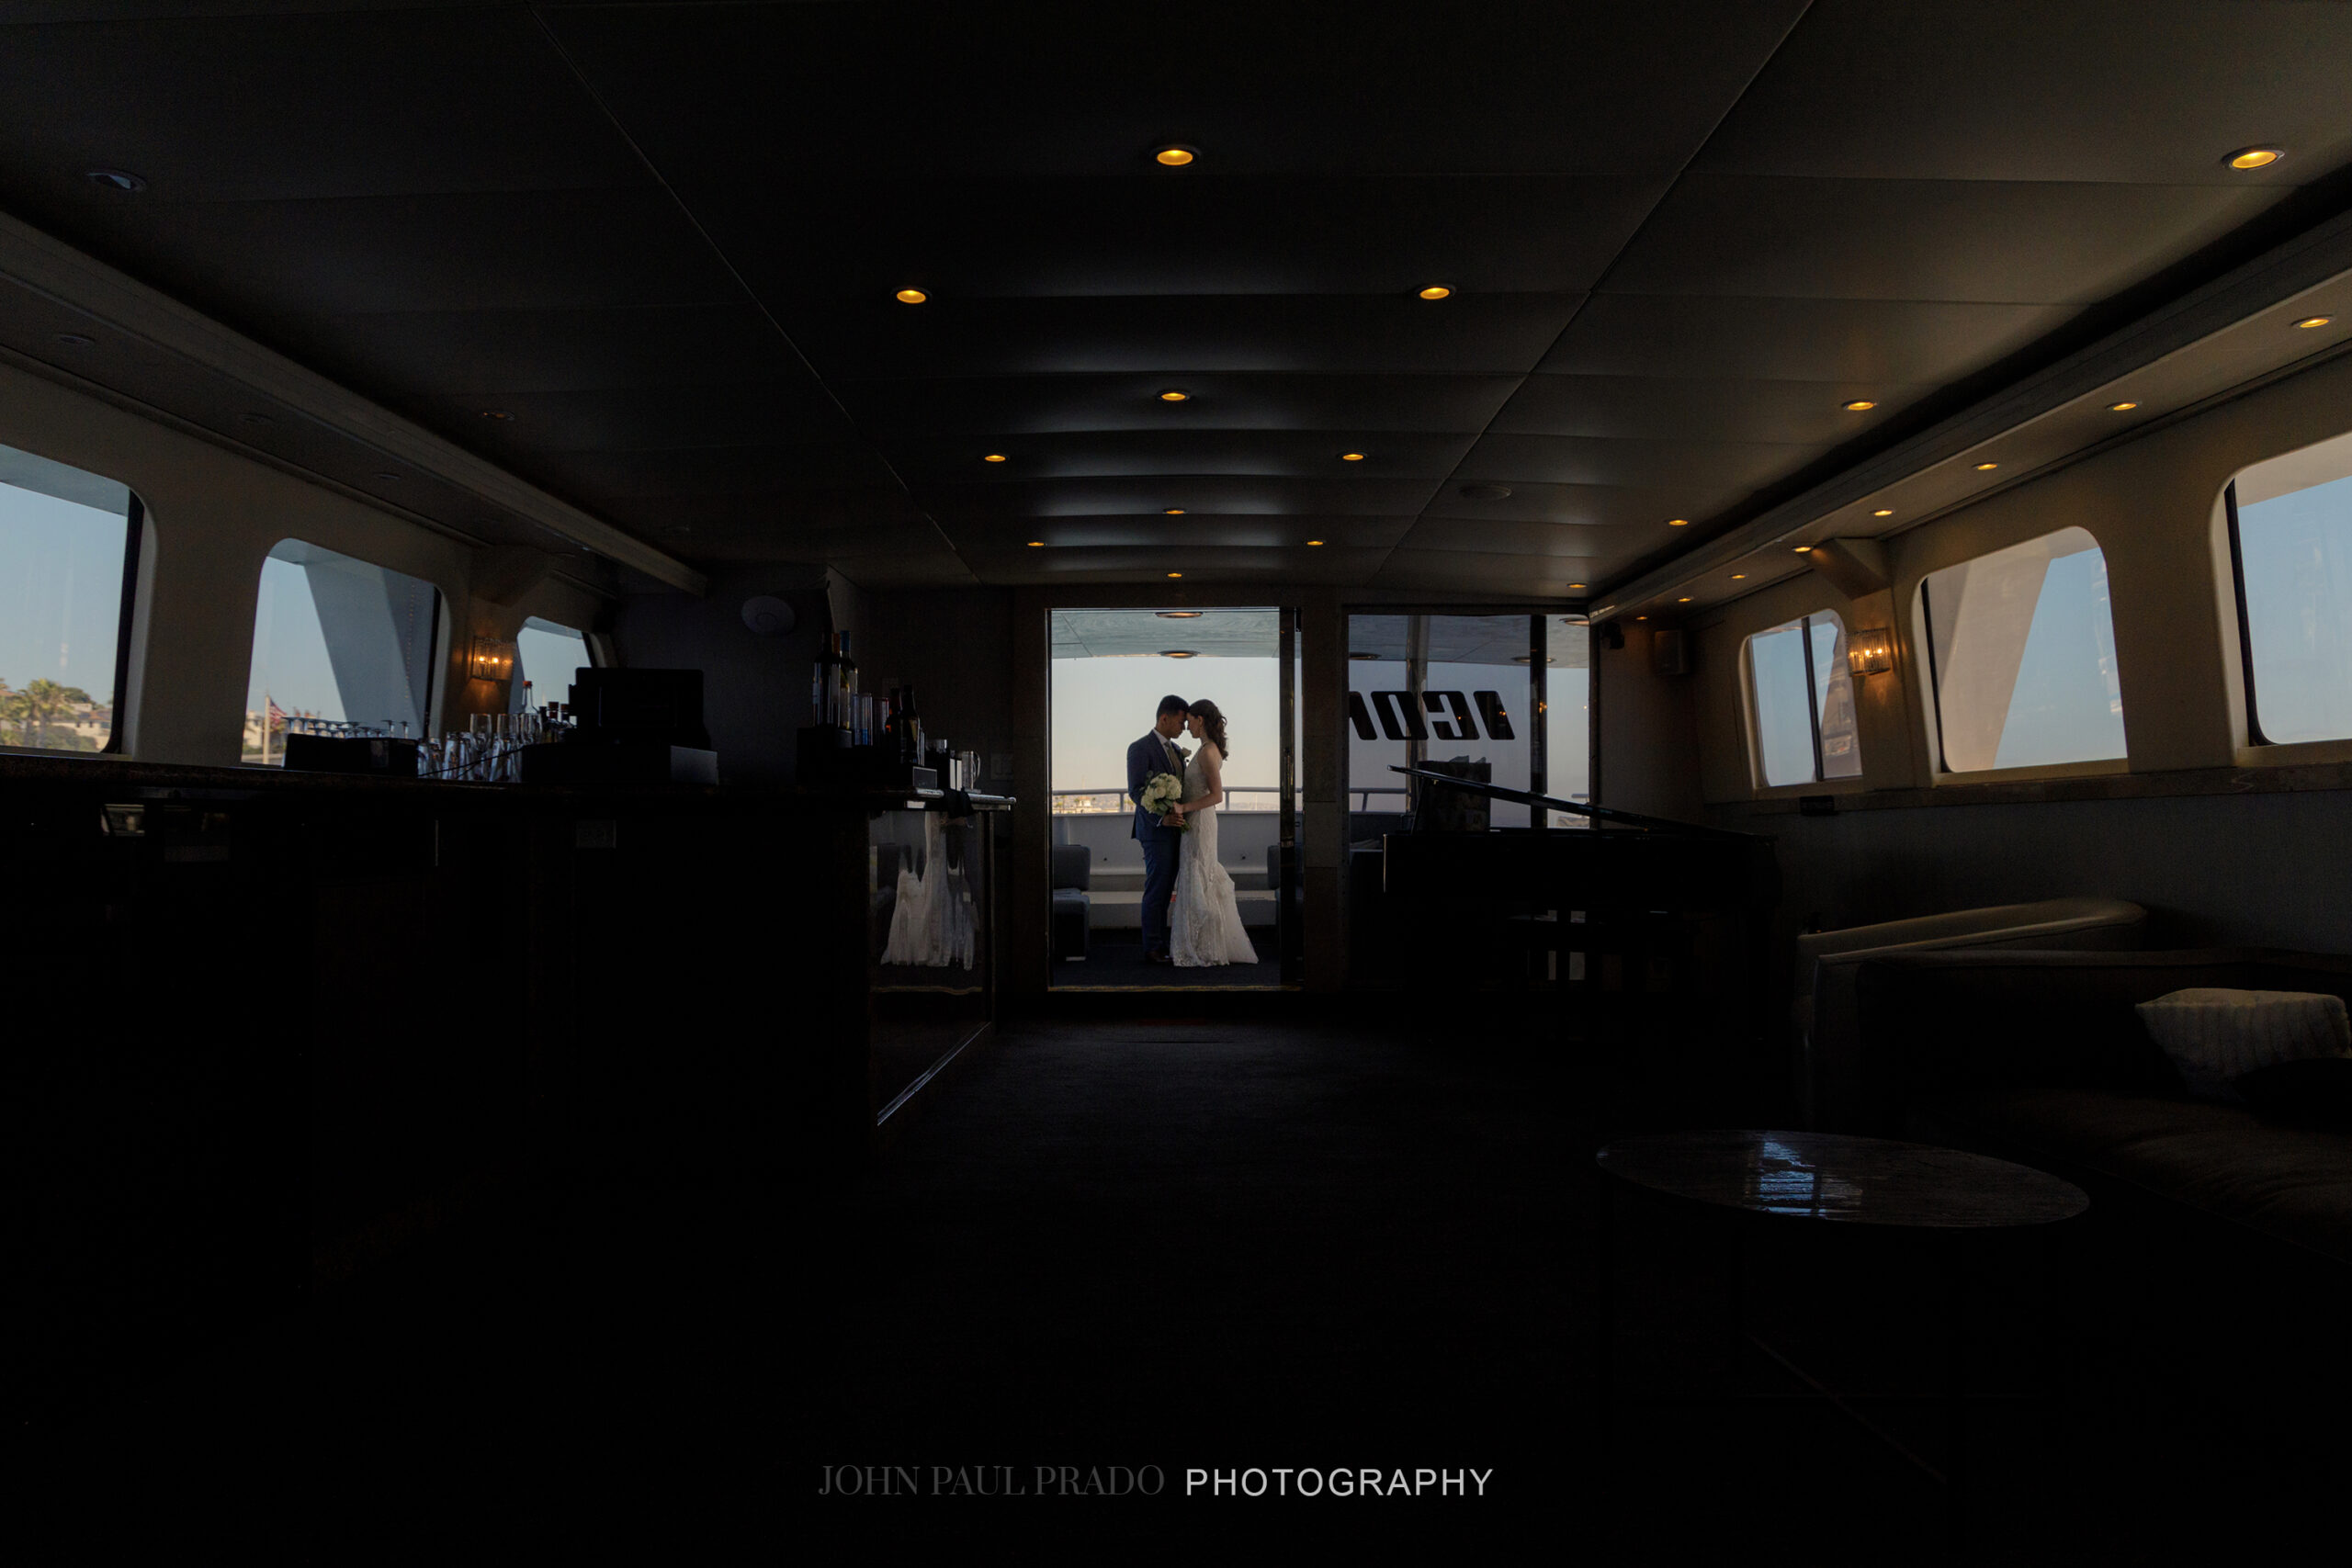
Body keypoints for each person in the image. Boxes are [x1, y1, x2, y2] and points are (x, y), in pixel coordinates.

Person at [1166, 699, 1259, 967]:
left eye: (1190, 720)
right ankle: (1199, 942)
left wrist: (1184, 806)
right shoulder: (1206, 748)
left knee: (1199, 873)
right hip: (1197, 821)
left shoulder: (1207, 752)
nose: (1187, 726)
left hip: (1200, 821)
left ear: (1200, 720)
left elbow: (1216, 795)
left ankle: (1202, 946)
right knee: (1197, 873)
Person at [1125, 694, 1191, 965]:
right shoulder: (1140, 748)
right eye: (1181, 721)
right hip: (1155, 832)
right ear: (1164, 718)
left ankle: (1164, 944)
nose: (1184, 727)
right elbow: (1137, 792)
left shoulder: (1176, 751)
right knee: (1157, 889)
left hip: (1176, 830)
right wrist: (1160, 820)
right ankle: (1152, 947)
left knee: (1167, 890)